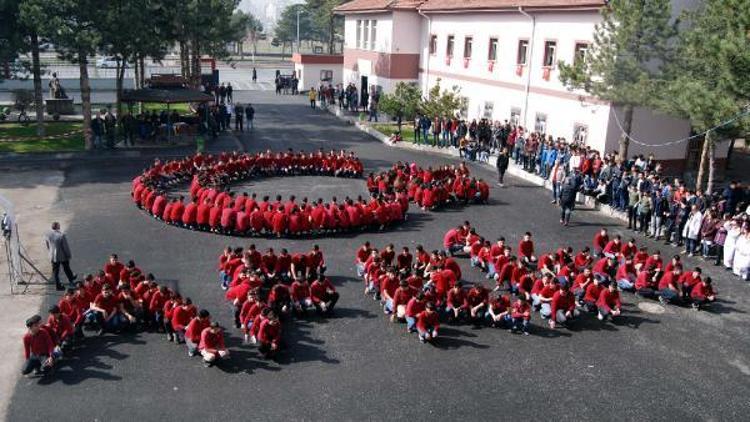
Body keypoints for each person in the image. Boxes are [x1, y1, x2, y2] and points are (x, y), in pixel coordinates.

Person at [44, 222, 77, 291]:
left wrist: (50, 252)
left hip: (52, 256)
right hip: (62, 256)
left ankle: (57, 285)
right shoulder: (61, 235)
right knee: (66, 268)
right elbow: (65, 247)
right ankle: (71, 281)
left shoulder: (47, 234)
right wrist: (68, 255)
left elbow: (47, 244)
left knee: (56, 271)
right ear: (57, 227)